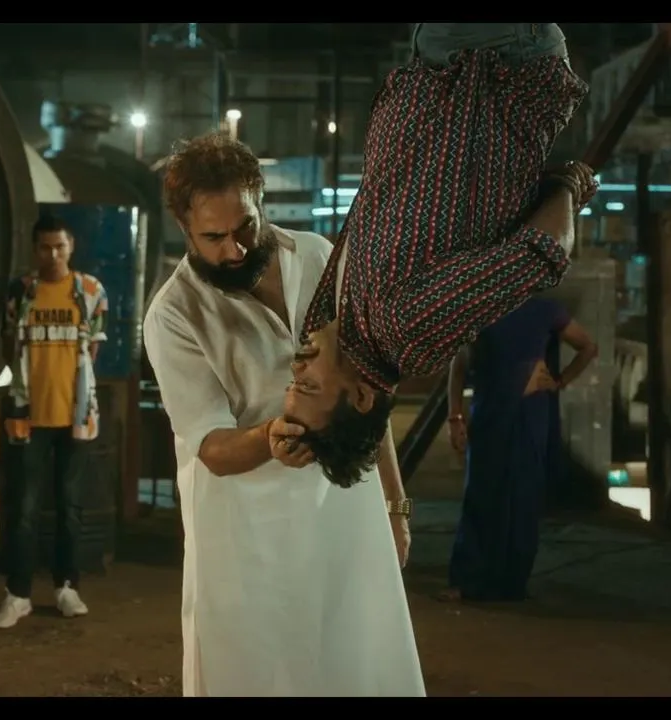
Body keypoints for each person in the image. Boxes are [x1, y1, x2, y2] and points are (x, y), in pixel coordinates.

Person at [143, 131, 425, 696]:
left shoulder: (320, 258)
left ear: (261, 199)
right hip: (246, 534)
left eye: (245, 227)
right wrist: (270, 436)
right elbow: (210, 446)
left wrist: (394, 505)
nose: (234, 250)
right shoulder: (173, 315)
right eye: (214, 237)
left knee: (356, 660)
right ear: (184, 227)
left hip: (344, 505)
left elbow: (366, 390)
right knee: (257, 671)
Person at [283, 23, 599, 489]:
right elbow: (541, 254)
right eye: (308, 384)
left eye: (293, 381)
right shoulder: (406, 331)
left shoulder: (343, 321)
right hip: (499, 67)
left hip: (440, 64)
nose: (297, 369)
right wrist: (569, 185)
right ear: (362, 396)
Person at [0, 214, 108, 629]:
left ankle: (66, 588)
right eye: (45, 247)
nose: (53, 254)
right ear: (35, 250)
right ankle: (18, 594)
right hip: (28, 418)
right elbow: (9, 345)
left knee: (69, 508)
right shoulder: (21, 291)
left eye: (60, 246)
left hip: (75, 418)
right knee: (23, 509)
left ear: (71, 246)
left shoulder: (90, 292)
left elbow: (92, 351)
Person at [443, 297, 598, 602]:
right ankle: (467, 579)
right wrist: (454, 416)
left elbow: (588, 347)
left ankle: (512, 582)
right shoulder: (481, 304)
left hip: (529, 412)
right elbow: (459, 364)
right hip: (490, 410)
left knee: (524, 496)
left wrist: (560, 381)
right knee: (482, 491)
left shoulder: (544, 307)